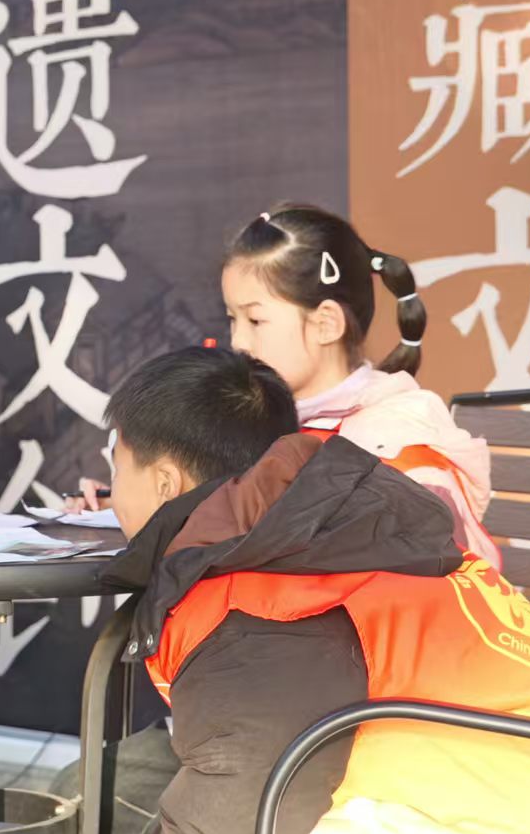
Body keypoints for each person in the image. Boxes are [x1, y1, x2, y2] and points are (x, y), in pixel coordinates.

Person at [84, 347, 530, 834]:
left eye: (117, 467)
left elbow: (243, 806)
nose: (111, 491)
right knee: (120, 806)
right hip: (517, 825)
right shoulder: (325, 526)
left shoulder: (254, 603)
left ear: (165, 483)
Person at [79, 203, 498, 565]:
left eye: (255, 320)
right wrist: (134, 496)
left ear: (326, 323)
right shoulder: (272, 420)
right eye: (232, 319)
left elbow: (436, 575)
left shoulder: (396, 444)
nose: (239, 342)